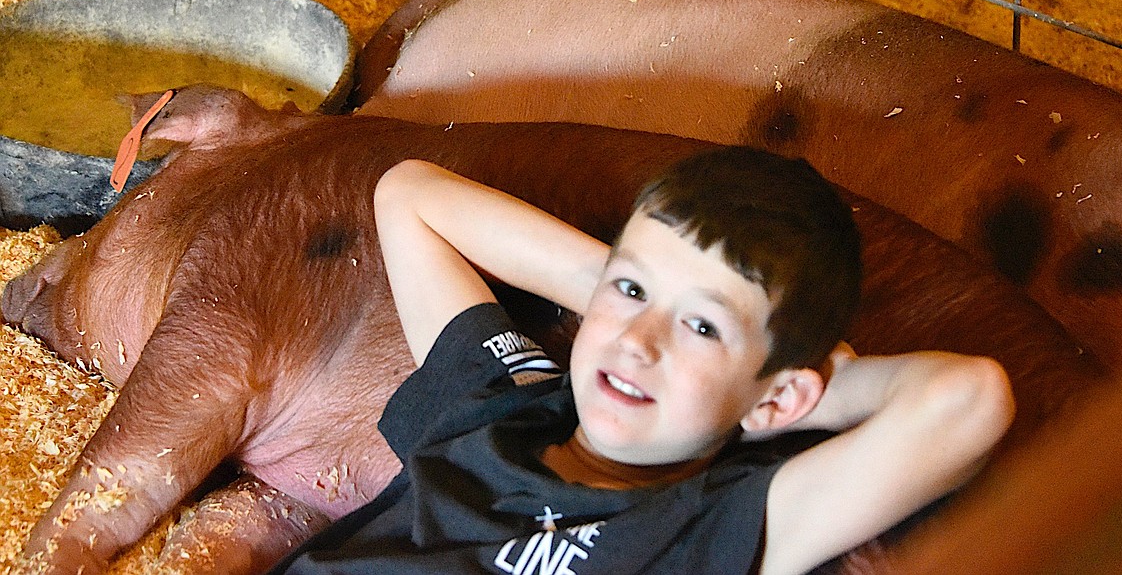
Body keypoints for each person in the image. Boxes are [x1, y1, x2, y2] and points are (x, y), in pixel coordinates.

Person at [276, 146, 1014, 574]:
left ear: (778, 399)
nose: (639, 342)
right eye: (630, 291)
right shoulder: (502, 400)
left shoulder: (712, 528)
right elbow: (410, 195)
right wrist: (622, 293)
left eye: (701, 327)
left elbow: (969, 399)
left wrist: (814, 387)